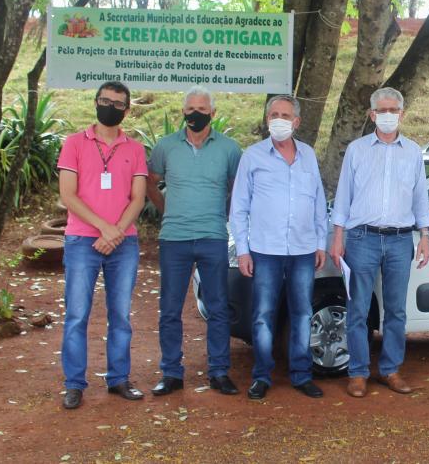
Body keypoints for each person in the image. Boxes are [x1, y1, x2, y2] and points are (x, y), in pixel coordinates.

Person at [329, 87, 429, 398]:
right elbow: (343, 195)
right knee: (358, 308)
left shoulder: (413, 151)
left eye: (393, 110)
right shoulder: (357, 150)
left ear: (402, 113)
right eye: (382, 110)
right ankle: (358, 373)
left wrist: (425, 236)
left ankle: (391, 370)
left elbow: (420, 197)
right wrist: (338, 237)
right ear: (373, 114)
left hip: (400, 240)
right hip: (362, 238)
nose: (388, 115)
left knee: (396, 310)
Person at [230, 95, 328, 399]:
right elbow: (239, 206)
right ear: (267, 120)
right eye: (274, 114)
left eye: (285, 115)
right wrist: (243, 249)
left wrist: (320, 243)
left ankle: (301, 375)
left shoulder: (309, 155)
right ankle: (262, 376)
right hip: (265, 250)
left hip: (302, 250)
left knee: (302, 313)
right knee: (263, 314)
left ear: (296, 122)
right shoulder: (253, 156)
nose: (279, 120)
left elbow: (318, 203)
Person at [146, 86, 242, 397]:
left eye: (202, 109)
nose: (195, 114)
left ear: (213, 114)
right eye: (190, 109)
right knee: (170, 309)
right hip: (174, 238)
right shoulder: (166, 146)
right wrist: (167, 210)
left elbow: (236, 190)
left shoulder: (229, 149)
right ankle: (172, 373)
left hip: (213, 236)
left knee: (217, 308)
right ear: (183, 112)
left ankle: (218, 372)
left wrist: (222, 216)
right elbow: (149, 181)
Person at [57, 81, 147, 409]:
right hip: (82, 239)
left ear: (126, 110)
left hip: (124, 243)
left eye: (117, 103)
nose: (109, 106)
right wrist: (104, 228)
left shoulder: (135, 149)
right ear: (96, 101)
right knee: (77, 314)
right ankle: (74, 384)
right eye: (104, 100)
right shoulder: (74, 144)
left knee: (121, 315)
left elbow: (138, 199)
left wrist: (116, 232)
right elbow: (68, 195)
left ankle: (119, 379)